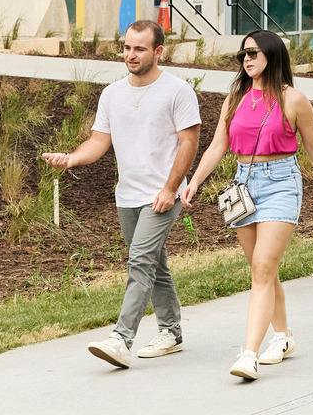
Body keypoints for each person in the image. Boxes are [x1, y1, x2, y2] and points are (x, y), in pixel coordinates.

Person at [183, 30, 313, 381]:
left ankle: (249, 353)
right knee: (262, 270)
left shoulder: (293, 100)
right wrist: (194, 181)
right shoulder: (236, 97)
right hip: (243, 185)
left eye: (253, 53)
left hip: (282, 184)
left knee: (263, 268)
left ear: (272, 54)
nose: (247, 60)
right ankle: (283, 336)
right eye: (243, 55)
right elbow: (217, 145)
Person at [43, 21, 201, 370]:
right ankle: (172, 331)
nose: (131, 54)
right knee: (153, 263)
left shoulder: (177, 91)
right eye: (127, 47)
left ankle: (121, 338)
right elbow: (99, 141)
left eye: (139, 48)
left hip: (162, 193)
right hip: (127, 195)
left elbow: (189, 142)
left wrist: (171, 188)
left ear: (158, 52)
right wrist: (71, 159)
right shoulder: (112, 94)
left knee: (140, 262)